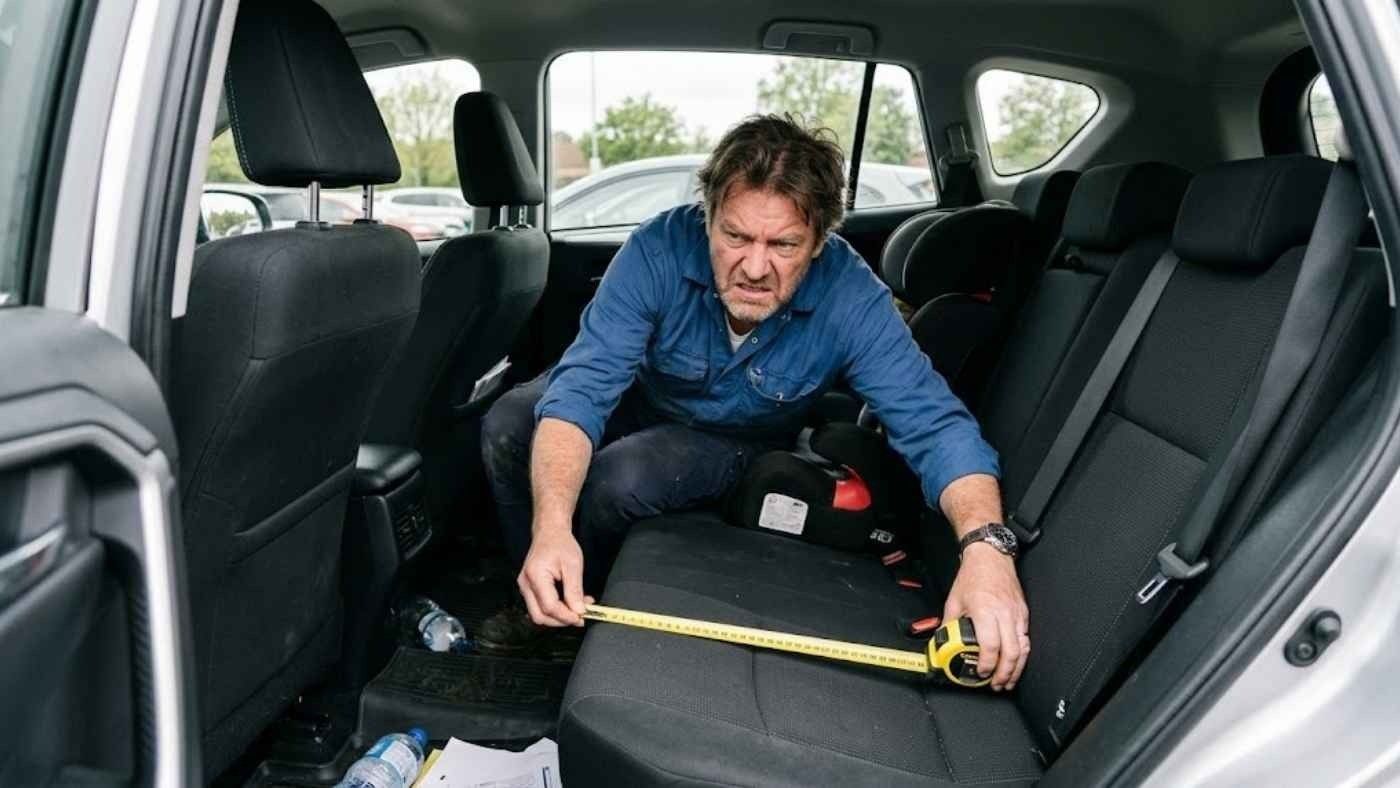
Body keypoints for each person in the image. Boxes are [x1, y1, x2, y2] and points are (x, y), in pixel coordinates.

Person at [480, 115, 1030, 690]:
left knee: (619, 477)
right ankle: (540, 586)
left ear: (819, 242)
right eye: (735, 237)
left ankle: (585, 619)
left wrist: (987, 549)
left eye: (784, 244)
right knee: (509, 423)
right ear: (707, 219)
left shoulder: (851, 296)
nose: (755, 266)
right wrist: (550, 531)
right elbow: (583, 392)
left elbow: (936, 426)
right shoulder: (657, 249)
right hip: (639, 397)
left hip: (734, 439)